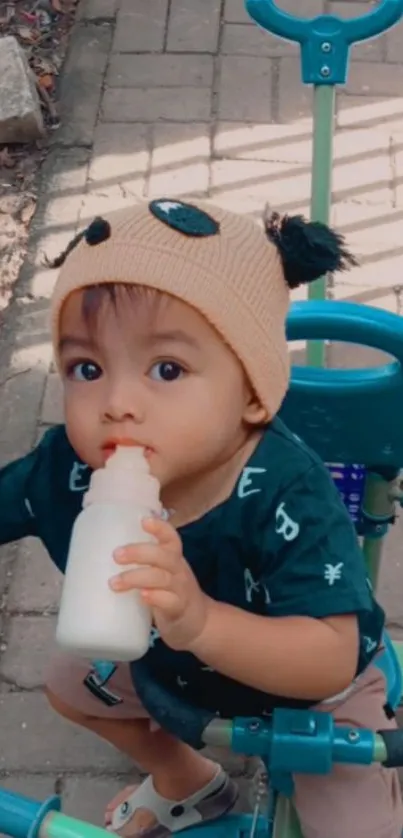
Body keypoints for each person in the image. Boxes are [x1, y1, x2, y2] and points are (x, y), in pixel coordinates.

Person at [0, 198, 401, 838]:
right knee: (68, 683)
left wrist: (202, 621)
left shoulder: (287, 493)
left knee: (362, 832)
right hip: (168, 671)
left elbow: (330, 657)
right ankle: (188, 782)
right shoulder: (72, 471)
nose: (117, 403)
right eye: (87, 368)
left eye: (166, 369)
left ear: (251, 392)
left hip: (313, 699)